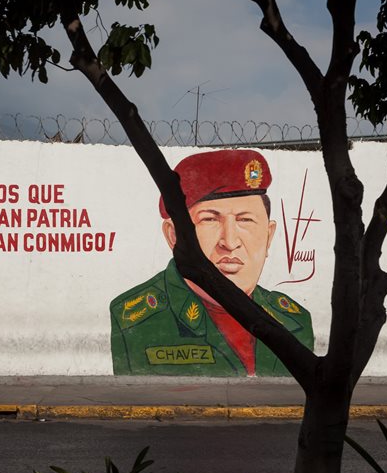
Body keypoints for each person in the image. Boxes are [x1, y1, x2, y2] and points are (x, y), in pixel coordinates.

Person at [109, 149, 313, 376]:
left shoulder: (297, 322)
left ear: (268, 235)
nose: (230, 241)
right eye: (210, 219)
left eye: (245, 220)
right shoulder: (137, 322)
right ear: (174, 236)